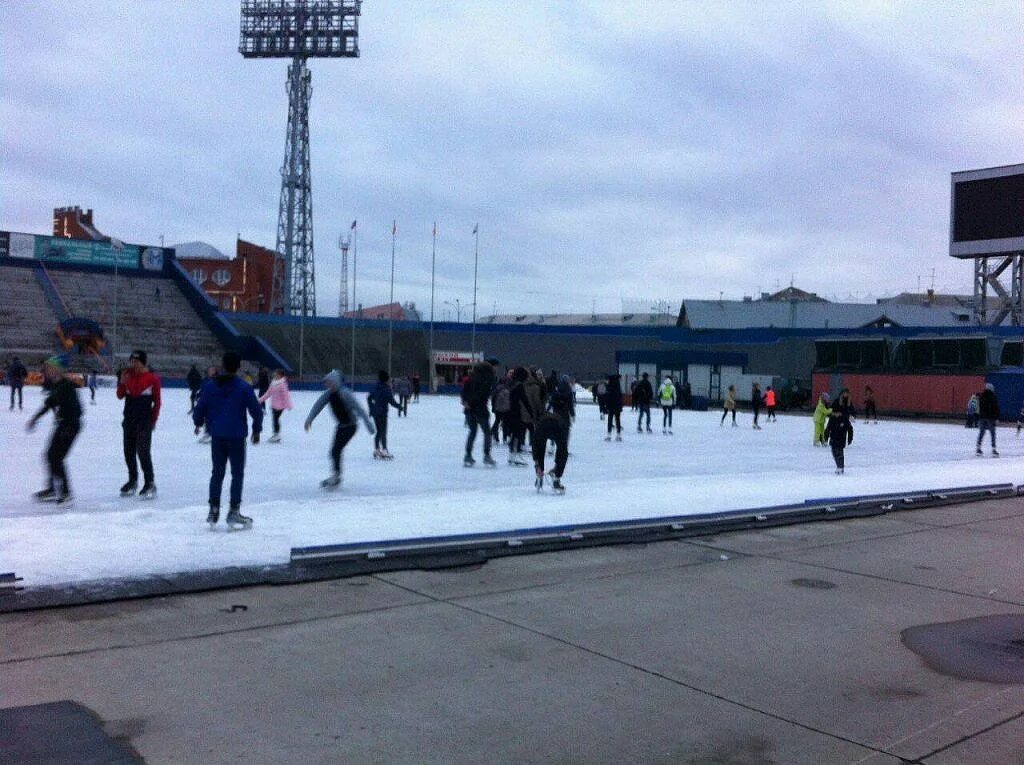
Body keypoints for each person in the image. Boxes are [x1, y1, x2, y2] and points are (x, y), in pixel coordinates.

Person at [192, 351, 263, 528]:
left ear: (222, 366)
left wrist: (198, 422)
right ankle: (233, 511)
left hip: (217, 436)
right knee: (237, 474)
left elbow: (199, 407)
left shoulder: (210, 386)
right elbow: (256, 411)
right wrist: (256, 430)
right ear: (238, 367)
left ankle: (214, 509)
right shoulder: (243, 387)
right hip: (236, 437)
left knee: (217, 473)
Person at [26, 356, 81, 504]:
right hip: (62, 424)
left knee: (56, 457)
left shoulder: (67, 386)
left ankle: (66, 493)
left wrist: (69, 427)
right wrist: (35, 418)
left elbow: (78, 410)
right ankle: (52, 489)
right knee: (50, 455)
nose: (46, 370)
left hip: (71, 425)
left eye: (50, 368)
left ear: (58, 370)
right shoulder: (55, 385)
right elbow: (49, 404)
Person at [305, 370, 374, 488]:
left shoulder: (345, 393)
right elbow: (318, 405)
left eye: (330, 382)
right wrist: (309, 419)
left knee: (335, 450)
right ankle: (336, 475)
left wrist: (369, 425)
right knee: (334, 451)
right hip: (341, 426)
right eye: (326, 383)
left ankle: (336, 476)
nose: (327, 385)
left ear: (336, 382)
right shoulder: (328, 394)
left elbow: (359, 409)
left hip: (351, 426)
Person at [117, 350, 161, 499]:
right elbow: (120, 395)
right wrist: (122, 382)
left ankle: (150, 482)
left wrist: (153, 420)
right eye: (132, 361)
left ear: (143, 362)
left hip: (144, 422)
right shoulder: (127, 376)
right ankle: (133, 480)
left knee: (143, 452)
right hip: (128, 420)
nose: (133, 364)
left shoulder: (152, 379)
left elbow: (157, 402)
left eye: (136, 361)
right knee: (128, 452)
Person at [533, 374, 576, 493]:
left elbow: (548, 405)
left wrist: (537, 464)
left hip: (544, 422)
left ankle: (539, 472)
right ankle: (556, 477)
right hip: (561, 423)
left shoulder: (555, 393)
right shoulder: (569, 393)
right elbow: (570, 406)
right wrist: (572, 415)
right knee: (562, 451)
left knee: (539, 448)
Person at [462, 358, 498, 466]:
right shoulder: (488, 378)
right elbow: (483, 394)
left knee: (472, 432)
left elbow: (464, 392)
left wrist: (466, 402)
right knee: (487, 433)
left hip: (469, 410)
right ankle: (487, 455)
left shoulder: (471, 377)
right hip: (480, 409)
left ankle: (468, 455)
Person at [367, 370, 402, 459]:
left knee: (378, 431)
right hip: (382, 413)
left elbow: (369, 398)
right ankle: (384, 450)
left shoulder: (375, 386)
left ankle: (376, 449)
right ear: (386, 379)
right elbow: (391, 401)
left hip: (375, 412)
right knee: (383, 432)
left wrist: (371, 408)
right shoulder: (386, 388)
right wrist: (399, 406)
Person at [504, 367, 534, 465]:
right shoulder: (519, 385)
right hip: (515, 412)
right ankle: (514, 455)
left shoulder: (510, 383)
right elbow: (524, 400)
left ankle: (512, 455)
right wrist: (531, 413)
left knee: (514, 434)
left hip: (507, 412)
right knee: (517, 434)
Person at [258, 369, 293, 443]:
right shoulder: (273, 383)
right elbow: (268, 394)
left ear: (280, 375)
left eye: (276, 374)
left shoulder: (283, 384)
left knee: (275, 419)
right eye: (275, 374)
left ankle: (276, 435)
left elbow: (286, 395)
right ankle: (276, 434)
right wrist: (260, 400)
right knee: (275, 419)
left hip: (280, 406)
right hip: (274, 405)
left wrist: (289, 405)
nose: (274, 375)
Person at [823, 406, 854, 474]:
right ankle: (838, 465)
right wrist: (825, 438)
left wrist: (850, 439)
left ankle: (841, 467)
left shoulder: (844, 419)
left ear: (840, 413)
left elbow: (850, 429)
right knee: (834, 453)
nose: (835, 414)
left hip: (841, 439)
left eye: (837, 413)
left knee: (839, 453)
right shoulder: (832, 418)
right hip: (833, 438)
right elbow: (828, 428)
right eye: (834, 413)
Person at [976, 382, 999, 457]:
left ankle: (978, 449)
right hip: (990, 418)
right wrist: (996, 417)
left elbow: (980, 408)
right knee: (992, 433)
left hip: (982, 417)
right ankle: (994, 449)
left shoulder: (981, 397)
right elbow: (995, 408)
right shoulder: (993, 397)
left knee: (981, 432)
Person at [603, 374, 624, 441]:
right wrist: (621, 406)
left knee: (610, 420)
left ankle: (609, 435)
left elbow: (607, 397)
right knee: (617, 420)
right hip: (617, 406)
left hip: (611, 406)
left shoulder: (609, 387)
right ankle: (618, 435)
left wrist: (606, 405)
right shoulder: (618, 386)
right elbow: (620, 397)